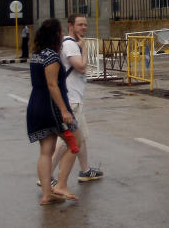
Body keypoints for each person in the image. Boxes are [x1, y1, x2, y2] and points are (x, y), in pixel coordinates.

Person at [27, 19, 80, 204]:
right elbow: (52, 84)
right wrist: (64, 110)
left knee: (46, 151)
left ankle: (47, 194)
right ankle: (61, 185)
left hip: (36, 104)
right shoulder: (51, 56)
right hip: (52, 108)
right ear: (56, 35)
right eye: (60, 32)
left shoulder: (37, 54)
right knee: (76, 143)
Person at [50, 14, 104, 184]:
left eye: (85, 25)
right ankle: (46, 175)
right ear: (70, 26)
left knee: (81, 136)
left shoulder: (69, 44)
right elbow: (80, 67)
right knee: (67, 139)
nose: (83, 28)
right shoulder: (71, 45)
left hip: (75, 98)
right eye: (80, 25)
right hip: (71, 99)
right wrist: (85, 48)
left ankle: (85, 170)